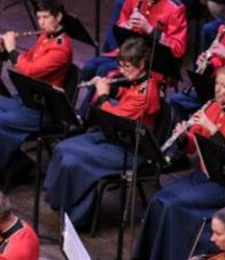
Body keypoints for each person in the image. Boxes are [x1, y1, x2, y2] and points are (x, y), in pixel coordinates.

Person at [133, 64, 225, 260]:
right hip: (203, 174)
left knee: (173, 205)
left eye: (224, 86)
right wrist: (182, 137)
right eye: (217, 83)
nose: (218, 89)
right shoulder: (211, 106)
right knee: (159, 198)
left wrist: (212, 128)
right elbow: (192, 147)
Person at [44, 37, 163, 232]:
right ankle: (60, 201)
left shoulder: (148, 91)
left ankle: (78, 217)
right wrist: (110, 89)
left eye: (127, 66)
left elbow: (116, 118)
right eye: (121, 65)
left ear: (141, 64)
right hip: (116, 138)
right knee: (63, 147)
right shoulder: (136, 81)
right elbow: (125, 95)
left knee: (74, 162)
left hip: (131, 150)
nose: (122, 71)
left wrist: (104, 95)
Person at [0, 0, 74, 178]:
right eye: (39, 18)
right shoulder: (45, 37)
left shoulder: (62, 48)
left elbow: (29, 70)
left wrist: (12, 49)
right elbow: (27, 58)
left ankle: (10, 165)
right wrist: (2, 48)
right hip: (26, 98)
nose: (42, 23)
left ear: (58, 17)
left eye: (46, 17)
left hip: (42, 108)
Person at [80, 0, 186, 83]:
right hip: (128, 54)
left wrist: (150, 30)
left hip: (151, 63)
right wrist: (125, 27)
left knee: (103, 71)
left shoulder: (175, 8)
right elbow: (120, 22)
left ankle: (94, 103)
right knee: (88, 68)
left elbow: (178, 49)